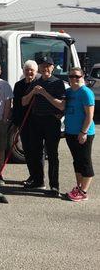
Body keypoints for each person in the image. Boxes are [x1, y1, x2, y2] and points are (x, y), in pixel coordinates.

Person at [22, 56, 66, 196]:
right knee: (36, 152)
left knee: (52, 154)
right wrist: (33, 92)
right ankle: (38, 181)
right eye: (43, 66)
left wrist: (44, 93)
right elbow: (23, 102)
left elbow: (61, 105)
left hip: (51, 121)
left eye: (48, 66)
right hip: (36, 121)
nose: (45, 68)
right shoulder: (36, 82)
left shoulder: (58, 83)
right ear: (39, 68)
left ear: (53, 68)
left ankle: (54, 186)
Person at [64, 67, 95, 202]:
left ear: (82, 76)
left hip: (83, 133)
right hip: (70, 132)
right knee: (77, 161)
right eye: (71, 76)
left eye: (77, 76)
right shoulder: (68, 92)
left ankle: (83, 191)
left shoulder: (86, 92)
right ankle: (78, 187)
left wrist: (83, 132)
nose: (74, 79)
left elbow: (89, 116)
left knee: (85, 162)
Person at [12, 60, 39, 186]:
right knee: (27, 150)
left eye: (31, 70)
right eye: (27, 70)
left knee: (37, 151)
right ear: (23, 71)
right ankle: (32, 176)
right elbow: (18, 104)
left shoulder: (39, 84)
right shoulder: (18, 85)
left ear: (36, 71)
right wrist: (16, 122)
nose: (29, 72)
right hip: (23, 122)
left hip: (36, 123)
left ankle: (39, 179)